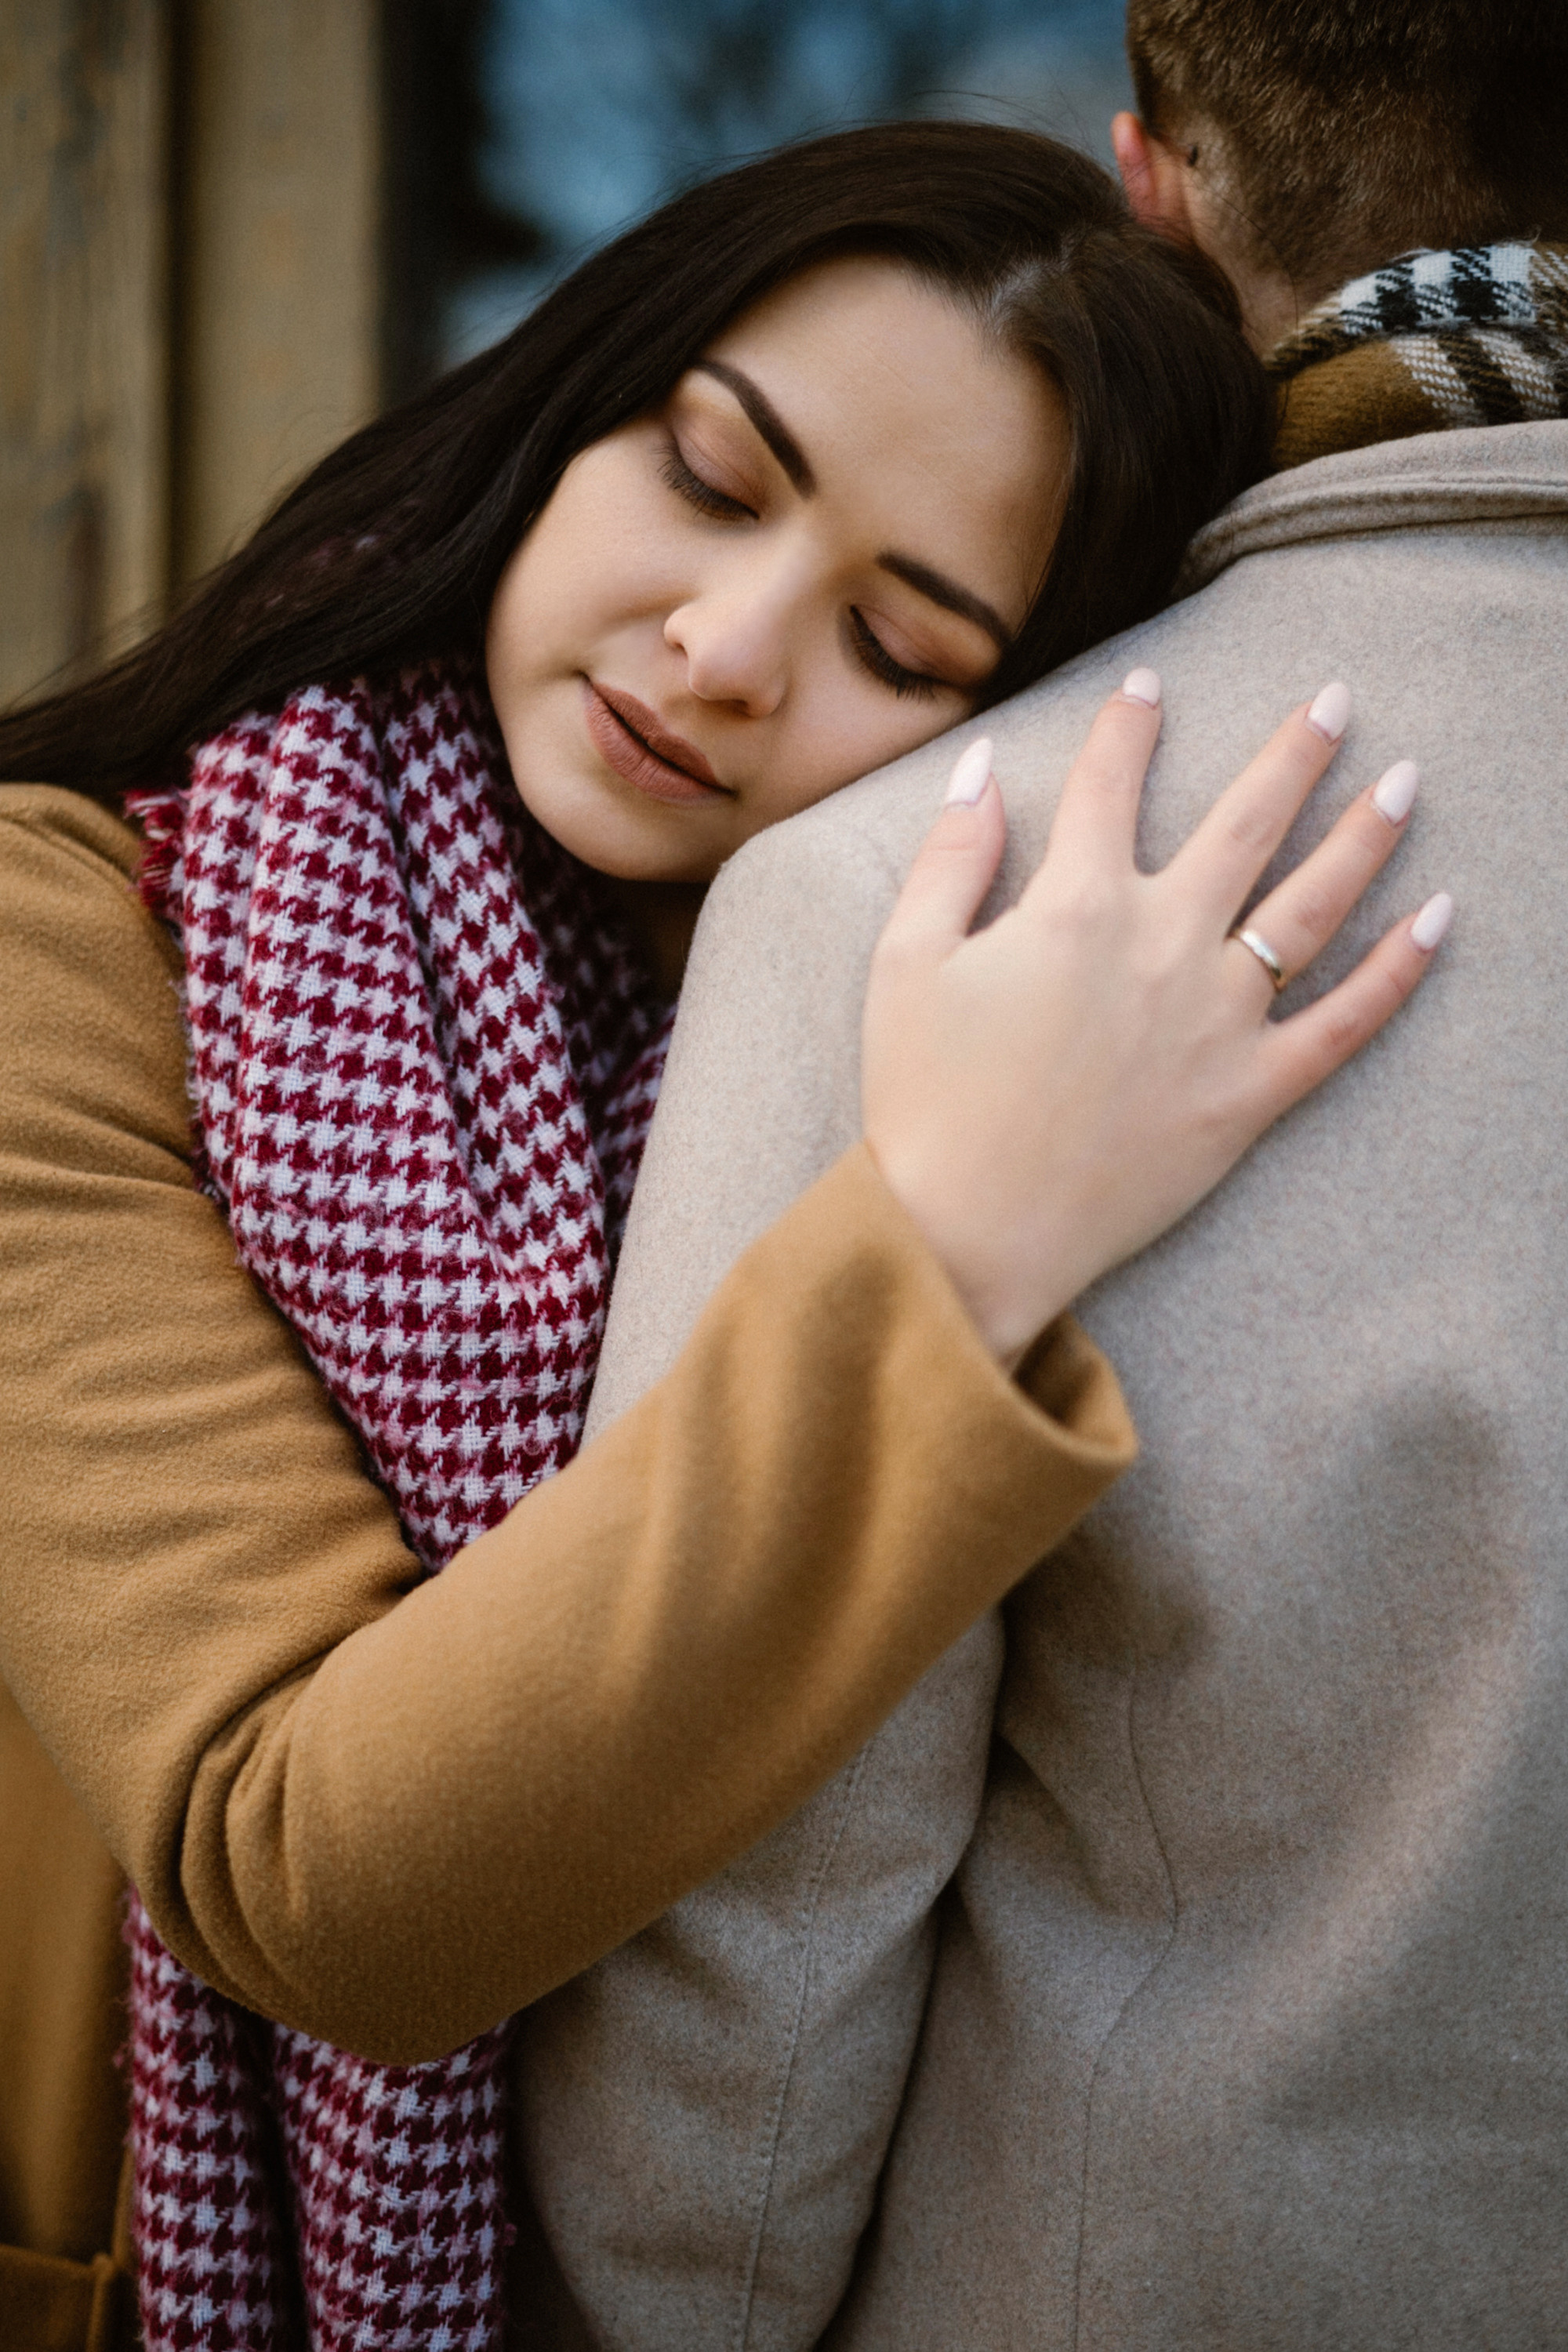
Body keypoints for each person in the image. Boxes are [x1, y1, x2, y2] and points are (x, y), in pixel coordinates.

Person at [0, 121, 1443, 2352]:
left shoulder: (812, 1055)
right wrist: (954, 1242)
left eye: (899, 633)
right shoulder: (56, 938)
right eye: (705, 473)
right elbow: (312, 1875)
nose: (729, 645)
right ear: (562, 414)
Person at [547, 7, 1568, 2348]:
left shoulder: (928, 884)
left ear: (1161, 190)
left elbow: (752, 1947)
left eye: (901, 627)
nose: (723, 659)